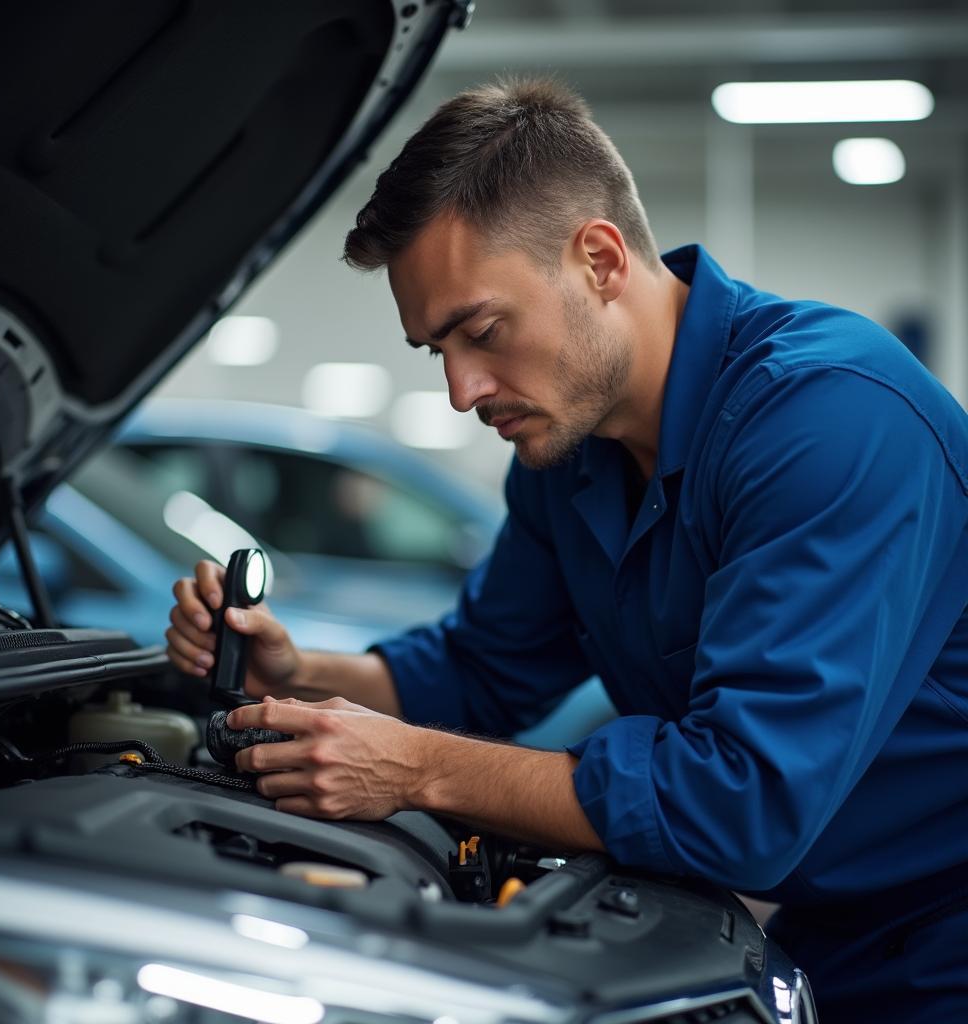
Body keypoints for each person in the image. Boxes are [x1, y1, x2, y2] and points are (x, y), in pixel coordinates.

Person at [166, 79, 968, 1022]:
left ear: (598, 258)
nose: (464, 390)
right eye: (438, 351)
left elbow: (739, 804)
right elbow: (480, 668)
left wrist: (417, 767)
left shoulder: (830, 421)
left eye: (482, 332)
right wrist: (299, 671)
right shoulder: (566, 455)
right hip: (825, 926)